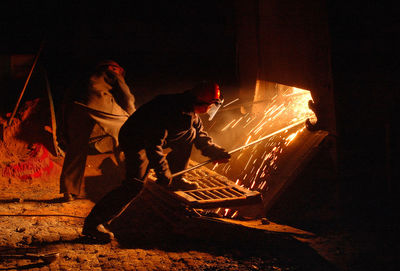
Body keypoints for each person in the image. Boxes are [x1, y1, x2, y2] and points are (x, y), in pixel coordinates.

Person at [82, 81, 231, 242]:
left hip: (153, 139)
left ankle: (177, 178)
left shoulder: (190, 109)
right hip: (135, 139)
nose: (210, 109)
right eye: (211, 105)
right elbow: (153, 145)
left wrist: (216, 153)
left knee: (190, 133)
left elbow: (200, 136)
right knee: (134, 184)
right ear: (202, 102)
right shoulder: (171, 110)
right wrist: (162, 172)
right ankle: (93, 224)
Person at [59, 60, 136, 201]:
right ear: (115, 68)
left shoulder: (84, 77)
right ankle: (134, 176)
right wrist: (134, 116)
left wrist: (64, 126)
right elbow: (127, 96)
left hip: (76, 107)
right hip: (99, 103)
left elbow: (67, 98)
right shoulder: (112, 71)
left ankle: (68, 191)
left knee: (76, 147)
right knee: (127, 129)